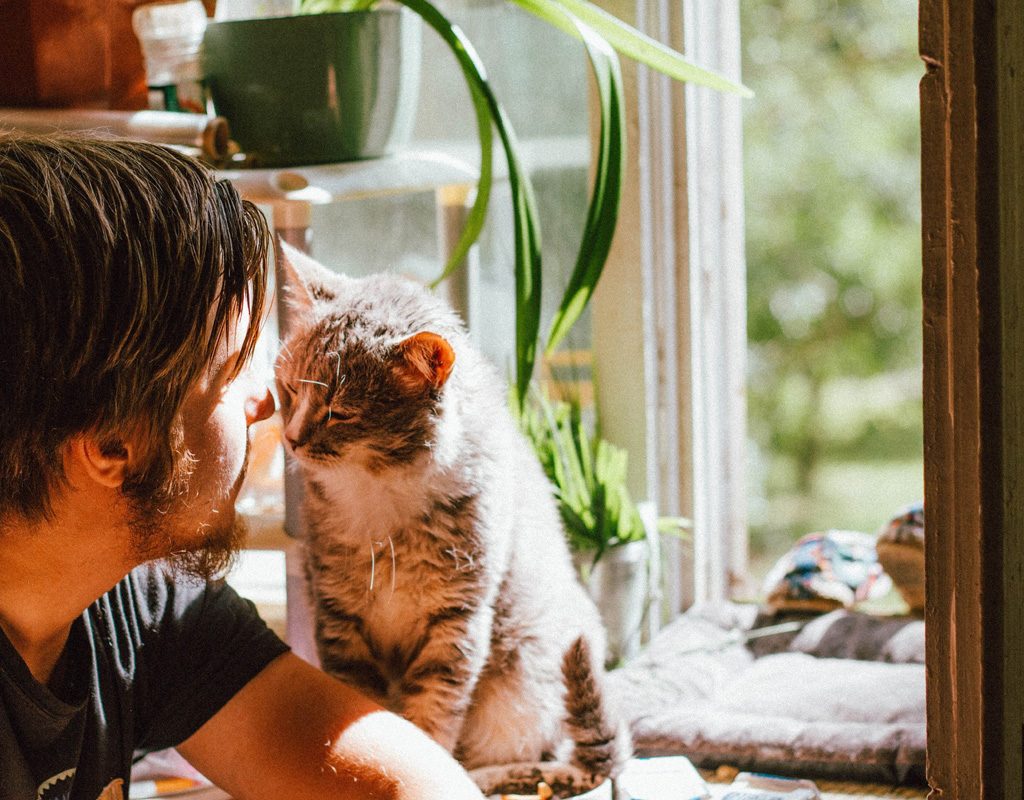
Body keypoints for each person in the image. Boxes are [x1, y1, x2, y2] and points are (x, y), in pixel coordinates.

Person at [0, 134, 485, 800]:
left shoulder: (139, 602)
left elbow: (412, 790)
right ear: (112, 446)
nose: (265, 406)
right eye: (230, 374)